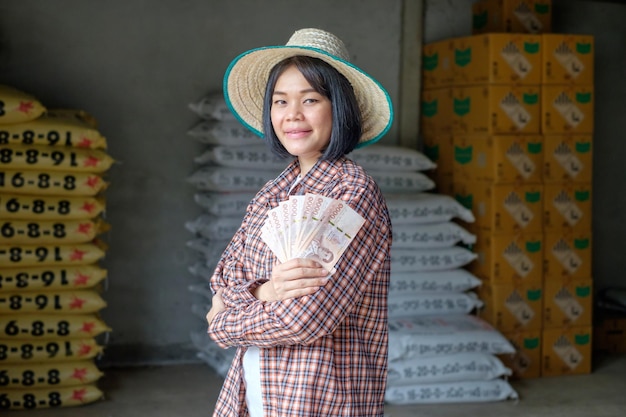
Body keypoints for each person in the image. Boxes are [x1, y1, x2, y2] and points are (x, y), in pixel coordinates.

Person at [206, 28, 393, 417]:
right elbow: (223, 279)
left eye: (310, 99)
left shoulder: (351, 194)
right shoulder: (274, 192)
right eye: (280, 101)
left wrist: (223, 322)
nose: (292, 114)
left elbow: (304, 320)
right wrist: (265, 292)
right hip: (255, 390)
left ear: (338, 107)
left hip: (318, 400)